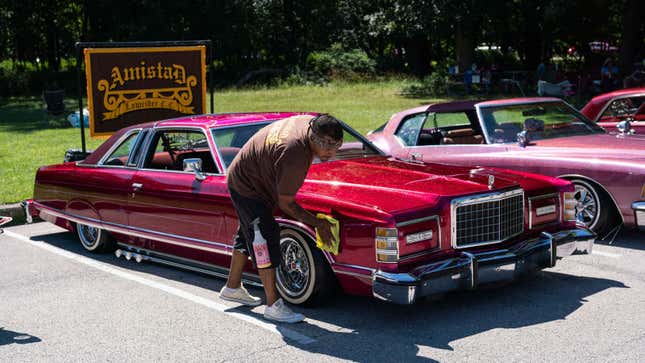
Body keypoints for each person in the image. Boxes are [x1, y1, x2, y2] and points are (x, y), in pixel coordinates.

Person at [220, 113, 342, 323]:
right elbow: (286, 203)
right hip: (247, 187)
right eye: (328, 149)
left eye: (336, 148)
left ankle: (232, 287)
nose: (331, 155)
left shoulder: (309, 122)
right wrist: (317, 223)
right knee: (264, 238)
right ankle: (273, 305)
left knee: (248, 232)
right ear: (314, 139)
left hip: (252, 177)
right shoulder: (295, 154)